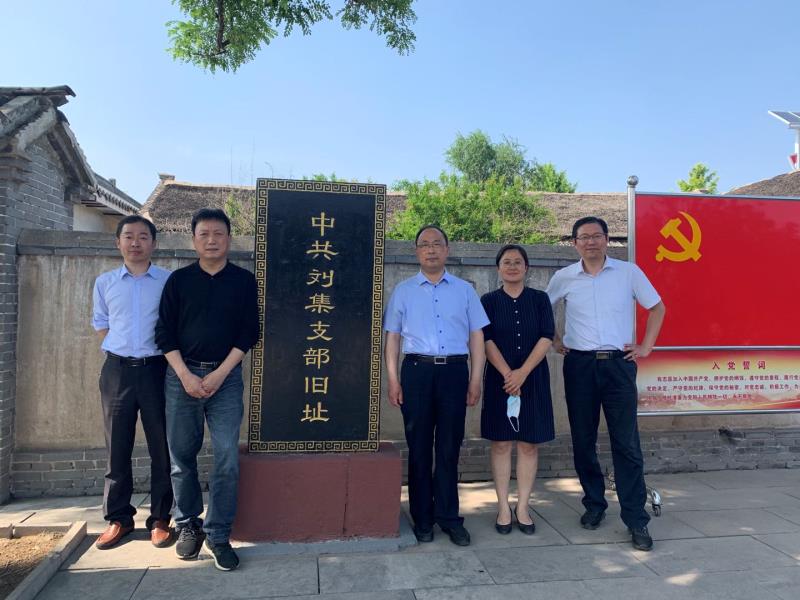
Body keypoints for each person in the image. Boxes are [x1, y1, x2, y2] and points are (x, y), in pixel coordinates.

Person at [546, 216, 666, 552]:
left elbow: (657, 308)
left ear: (606, 239)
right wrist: (556, 339)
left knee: (626, 442)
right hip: (579, 365)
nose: (590, 242)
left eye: (596, 236)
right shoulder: (564, 277)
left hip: (618, 365)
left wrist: (646, 346)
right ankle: (594, 504)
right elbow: (542, 309)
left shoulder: (629, 272)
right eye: (583, 237)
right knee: (583, 439)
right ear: (574, 243)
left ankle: (636, 518)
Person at [155, 208, 259, 571]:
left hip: (225, 378)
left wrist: (219, 374)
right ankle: (188, 524)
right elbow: (164, 333)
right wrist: (185, 375)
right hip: (181, 377)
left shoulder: (243, 281)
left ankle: (218, 533)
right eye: (204, 234)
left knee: (227, 455)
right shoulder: (179, 281)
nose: (211, 240)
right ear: (194, 240)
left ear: (229, 239)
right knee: (181, 456)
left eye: (218, 234)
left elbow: (249, 332)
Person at [384, 225, 489, 547]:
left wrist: (475, 378)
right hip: (416, 372)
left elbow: (477, 337)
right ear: (417, 251)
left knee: (448, 447)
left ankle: (449, 517)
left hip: (454, 372)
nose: (431, 249)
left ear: (447, 249)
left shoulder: (465, 290)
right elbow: (393, 338)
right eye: (424, 244)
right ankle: (423, 518)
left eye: (437, 244)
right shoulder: (403, 291)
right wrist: (393, 379)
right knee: (418, 447)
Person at [91, 215, 173, 550]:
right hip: (117, 371)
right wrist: (121, 350)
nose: (135, 243)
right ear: (118, 242)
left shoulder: (167, 281)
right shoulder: (105, 282)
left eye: (143, 236)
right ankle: (119, 518)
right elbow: (101, 322)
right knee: (117, 447)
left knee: (161, 447)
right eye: (128, 236)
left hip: (157, 369)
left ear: (153, 243)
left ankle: (161, 518)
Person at [480, 244, 554, 535]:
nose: (512, 266)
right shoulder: (488, 301)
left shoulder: (540, 299)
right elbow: (485, 339)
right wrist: (508, 375)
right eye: (506, 262)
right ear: (498, 268)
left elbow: (547, 336)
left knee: (528, 444)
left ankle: (523, 507)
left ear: (526, 267)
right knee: (500, 443)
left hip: (533, 379)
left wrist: (522, 374)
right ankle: (502, 507)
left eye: (518, 262)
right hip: (499, 380)